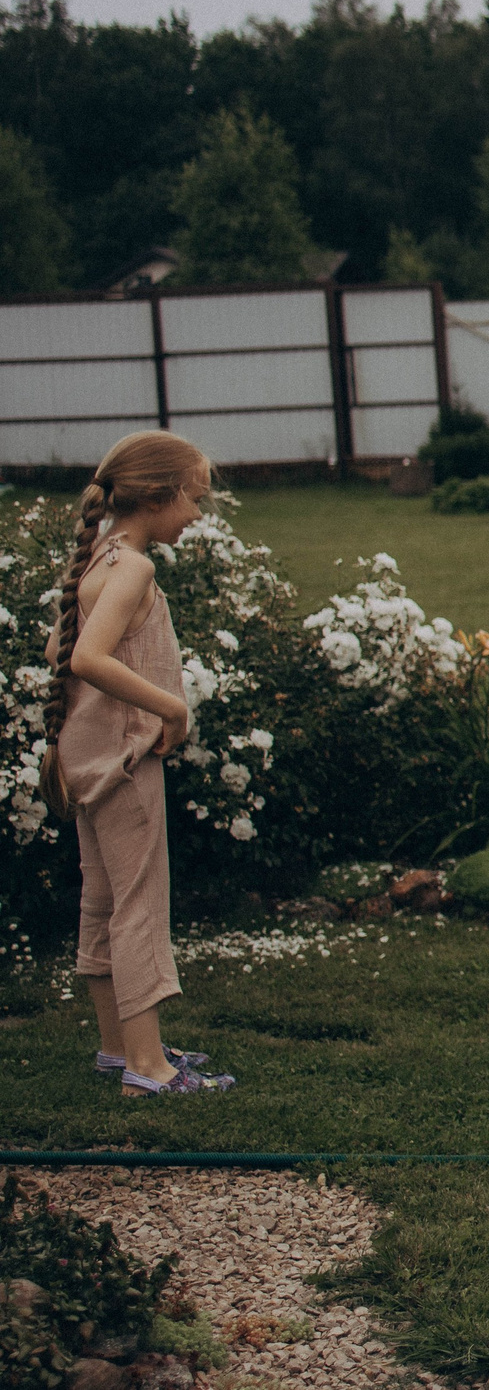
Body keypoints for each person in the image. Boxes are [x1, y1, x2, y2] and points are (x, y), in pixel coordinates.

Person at [43, 430, 236, 1097]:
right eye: (195, 499)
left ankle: (118, 1046)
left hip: (87, 763)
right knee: (139, 907)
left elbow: (58, 652)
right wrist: (172, 710)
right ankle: (148, 1069)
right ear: (158, 495)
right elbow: (85, 659)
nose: (197, 514)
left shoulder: (101, 557)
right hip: (124, 765)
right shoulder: (134, 569)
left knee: (103, 903)